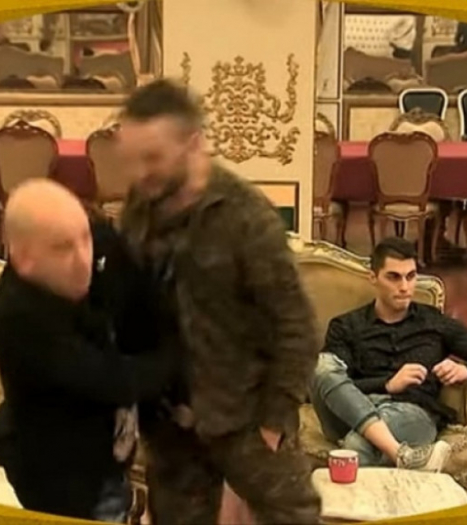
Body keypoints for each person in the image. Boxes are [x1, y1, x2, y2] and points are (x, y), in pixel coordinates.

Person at [117, 79, 322, 525]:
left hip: (245, 420)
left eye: (153, 158)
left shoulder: (246, 217)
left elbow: (297, 327)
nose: (140, 172)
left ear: (193, 144)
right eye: (132, 159)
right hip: (170, 430)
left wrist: (272, 425)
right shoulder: (140, 206)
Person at [0, 179, 175, 522]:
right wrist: (183, 360)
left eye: (85, 238)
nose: (83, 259)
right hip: (61, 480)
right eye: (62, 248)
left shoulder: (95, 244)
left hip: (106, 459)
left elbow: (142, 294)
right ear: (24, 259)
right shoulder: (19, 316)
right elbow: (114, 381)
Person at [311, 237, 467, 470]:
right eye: (394, 277)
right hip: (346, 414)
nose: (404, 287)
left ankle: (377, 457)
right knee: (322, 365)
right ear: (373, 278)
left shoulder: (434, 322)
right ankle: (402, 455)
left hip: (409, 413)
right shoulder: (346, 326)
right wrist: (387, 384)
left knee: (356, 445)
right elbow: (332, 386)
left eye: (410, 276)